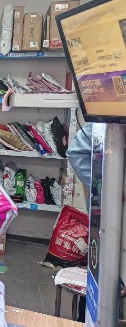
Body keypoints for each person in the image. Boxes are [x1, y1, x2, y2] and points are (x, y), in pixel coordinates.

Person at [66, 122, 93, 323]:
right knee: (101, 272)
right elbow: (76, 152)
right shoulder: (105, 122)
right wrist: (106, 185)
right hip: (110, 216)